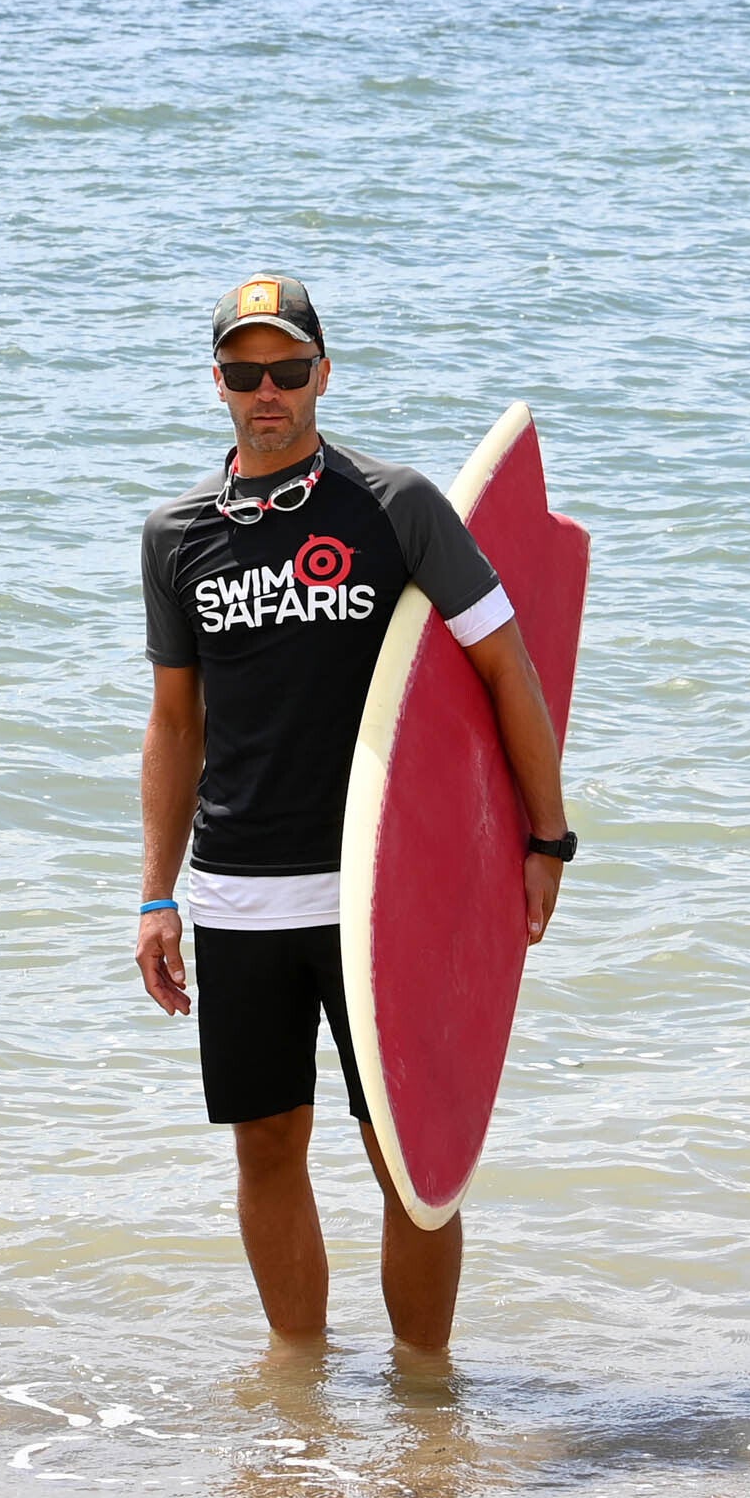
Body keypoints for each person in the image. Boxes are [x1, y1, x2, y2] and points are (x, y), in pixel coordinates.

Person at [133, 276, 573, 1356]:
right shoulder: (176, 532)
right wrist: (155, 892)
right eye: (245, 372)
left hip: (379, 889)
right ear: (219, 386)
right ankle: (300, 1387)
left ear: (324, 373)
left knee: (407, 1159)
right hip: (236, 889)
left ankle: (425, 1387)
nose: (267, 390)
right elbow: (174, 721)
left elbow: (505, 669)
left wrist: (544, 836)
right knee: (265, 1147)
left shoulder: (395, 505)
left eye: (287, 368)